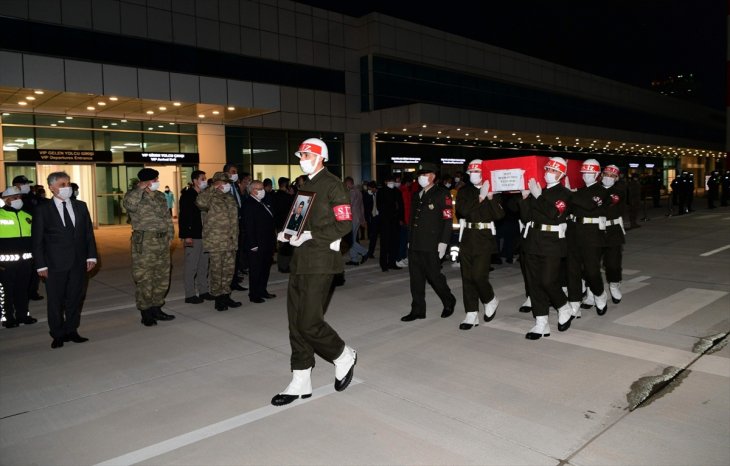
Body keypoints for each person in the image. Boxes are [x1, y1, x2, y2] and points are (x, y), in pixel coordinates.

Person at [272, 137, 356, 406]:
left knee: (309, 321)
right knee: (295, 324)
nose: (301, 159)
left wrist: (310, 235)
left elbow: (344, 225)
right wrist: (289, 232)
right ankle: (300, 379)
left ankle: (343, 355)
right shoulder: (306, 186)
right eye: (300, 155)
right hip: (301, 260)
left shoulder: (333, 185)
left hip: (321, 261)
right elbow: (299, 219)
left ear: (321, 156)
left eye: (306, 155)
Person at [32, 172, 97, 348]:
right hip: (54, 264)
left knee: (75, 298)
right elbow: (37, 241)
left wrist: (91, 255)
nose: (67, 187)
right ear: (52, 188)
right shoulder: (42, 210)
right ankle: (57, 334)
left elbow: (88, 234)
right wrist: (40, 266)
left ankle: (72, 330)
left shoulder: (81, 206)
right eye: (62, 184)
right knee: (55, 301)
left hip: (78, 262)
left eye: (68, 183)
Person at [519, 157, 573, 339]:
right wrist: (525, 197)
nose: (549, 173)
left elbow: (553, 214)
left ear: (562, 174)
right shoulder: (537, 191)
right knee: (534, 284)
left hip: (553, 242)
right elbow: (526, 217)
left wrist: (537, 196)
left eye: (554, 170)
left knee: (548, 281)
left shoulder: (565, 193)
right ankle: (541, 322)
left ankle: (563, 306)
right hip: (533, 240)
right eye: (548, 169)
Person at [401, 162, 457, 322]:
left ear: (433, 176)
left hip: (432, 244)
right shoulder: (417, 195)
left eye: (424, 175)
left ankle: (448, 300)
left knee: (434, 277)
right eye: (420, 175)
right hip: (416, 244)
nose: (421, 178)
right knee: (416, 279)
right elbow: (412, 220)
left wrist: (443, 243)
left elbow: (447, 220)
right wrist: (409, 240)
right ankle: (417, 309)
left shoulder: (442, 194)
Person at [455, 160, 505, 330]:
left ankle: (490, 299)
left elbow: (499, 215)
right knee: (467, 277)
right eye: (471, 173)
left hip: (484, 237)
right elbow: (463, 211)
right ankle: (471, 313)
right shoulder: (464, 191)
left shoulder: (494, 191)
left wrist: (490, 197)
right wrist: (480, 197)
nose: (473, 175)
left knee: (478, 276)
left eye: (476, 172)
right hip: (468, 236)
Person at [123, 168, 176, 326]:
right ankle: (145, 311)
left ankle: (157, 307)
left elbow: (167, 217)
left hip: (162, 241)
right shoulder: (133, 195)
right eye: (154, 180)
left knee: (162, 276)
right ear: (145, 182)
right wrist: (140, 188)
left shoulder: (160, 196)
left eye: (156, 179)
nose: (157, 182)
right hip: (145, 242)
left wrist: (170, 235)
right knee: (145, 277)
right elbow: (129, 205)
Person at [567, 159, 611, 317]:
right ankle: (574, 303)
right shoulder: (577, 192)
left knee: (592, 271)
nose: (586, 175)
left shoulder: (602, 191)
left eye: (590, 173)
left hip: (592, 235)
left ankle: (600, 294)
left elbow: (588, 204)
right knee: (572, 271)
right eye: (584, 172)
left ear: (597, 174)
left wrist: (570, 194)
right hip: (574, 233)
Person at [196, 172, 242, 311]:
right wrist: (212, 188)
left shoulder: (229, 198)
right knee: (217, 271)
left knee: (229, 271)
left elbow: (234, 221)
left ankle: (226, 295)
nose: (228, 184)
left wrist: (236, 238)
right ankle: (218, 298)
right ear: (218, 183)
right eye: (225, 182)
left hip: (230, 240)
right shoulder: (208, 197)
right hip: (216, 241)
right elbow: (200, 203)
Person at [0, 187, 38, 328]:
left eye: (20, 197)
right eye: (14, 197)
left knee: (22, 290)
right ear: (6, 199)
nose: (18, 200)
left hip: (25, 262)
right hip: (5, 264)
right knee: (6, 291)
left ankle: (23, 315)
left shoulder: (27, 215)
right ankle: (8, 318)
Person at [178, 170, 213, 304]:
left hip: (205, 235)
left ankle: (204, 291)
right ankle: (190, 294)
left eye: (205, 178)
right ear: (194, 181)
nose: (205, 180)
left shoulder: (204, 195)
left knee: (204, 265)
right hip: (193, 236)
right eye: (202, 178)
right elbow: (184, 217)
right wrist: (186, 236)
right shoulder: (188, 195)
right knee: (191, 266)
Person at [243, 180, 276, 303]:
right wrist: (253, 244)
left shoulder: (263, 203)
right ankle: (254, 294)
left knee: (265, 269)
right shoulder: (249, 204)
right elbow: (249, 226)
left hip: (267, 242)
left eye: (262, 188)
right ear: (252, 190)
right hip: (256, 244)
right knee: (256, 270)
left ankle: (262, 290)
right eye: (259, 188)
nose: (262, 191)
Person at [600, 165, 626, 306]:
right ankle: (594, 292)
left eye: (612, 175)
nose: (608, 177)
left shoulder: (619, 190)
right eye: (606, 174)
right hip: (596, 230)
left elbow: (610, 201)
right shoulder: (594, 189)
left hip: (613, 230)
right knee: (590, 263)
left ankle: (614, 284)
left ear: (616, 178)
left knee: (613, 263)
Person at [377, 175, 403, 271]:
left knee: (394, 243)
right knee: (385, 244)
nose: (392, 183)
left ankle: (392, 262)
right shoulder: (381, 192)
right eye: (390, 181)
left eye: (393, 181)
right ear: (385, 182)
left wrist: (401, 218)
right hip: (385, 221)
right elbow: (380, 207)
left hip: (395, 221)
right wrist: (392, 207)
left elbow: (401, 206)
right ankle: (384, 264)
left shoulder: (397, 192)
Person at [344, 176, 369, 266]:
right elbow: (361, 207)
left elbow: (348, 205)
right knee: (352, 239)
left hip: (352, 218)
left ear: (348, 183)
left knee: (349, 240)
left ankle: (365, 252)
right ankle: (354, 259)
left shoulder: (351, 192)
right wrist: (363, 220)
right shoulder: (358, 192)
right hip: (357, 218)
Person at [272, 177, 295, 273]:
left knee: (282, 245)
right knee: (287, 246)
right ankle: (284, 266)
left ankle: (282, 266)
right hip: (286, 224)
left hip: (279, 223)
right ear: (285, 185)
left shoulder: (276, 195)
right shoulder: (287, 197)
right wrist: (292, 195)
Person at [363, 181, 379, 259]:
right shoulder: (367, 195)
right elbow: (366, 208)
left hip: (379, 217)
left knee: (378, 236)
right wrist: (366, 219)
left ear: (374, 188)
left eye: (370, 189)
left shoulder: (380, 194)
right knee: (373, 236)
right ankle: (370, 252)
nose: (369, 190)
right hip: (372, 217)